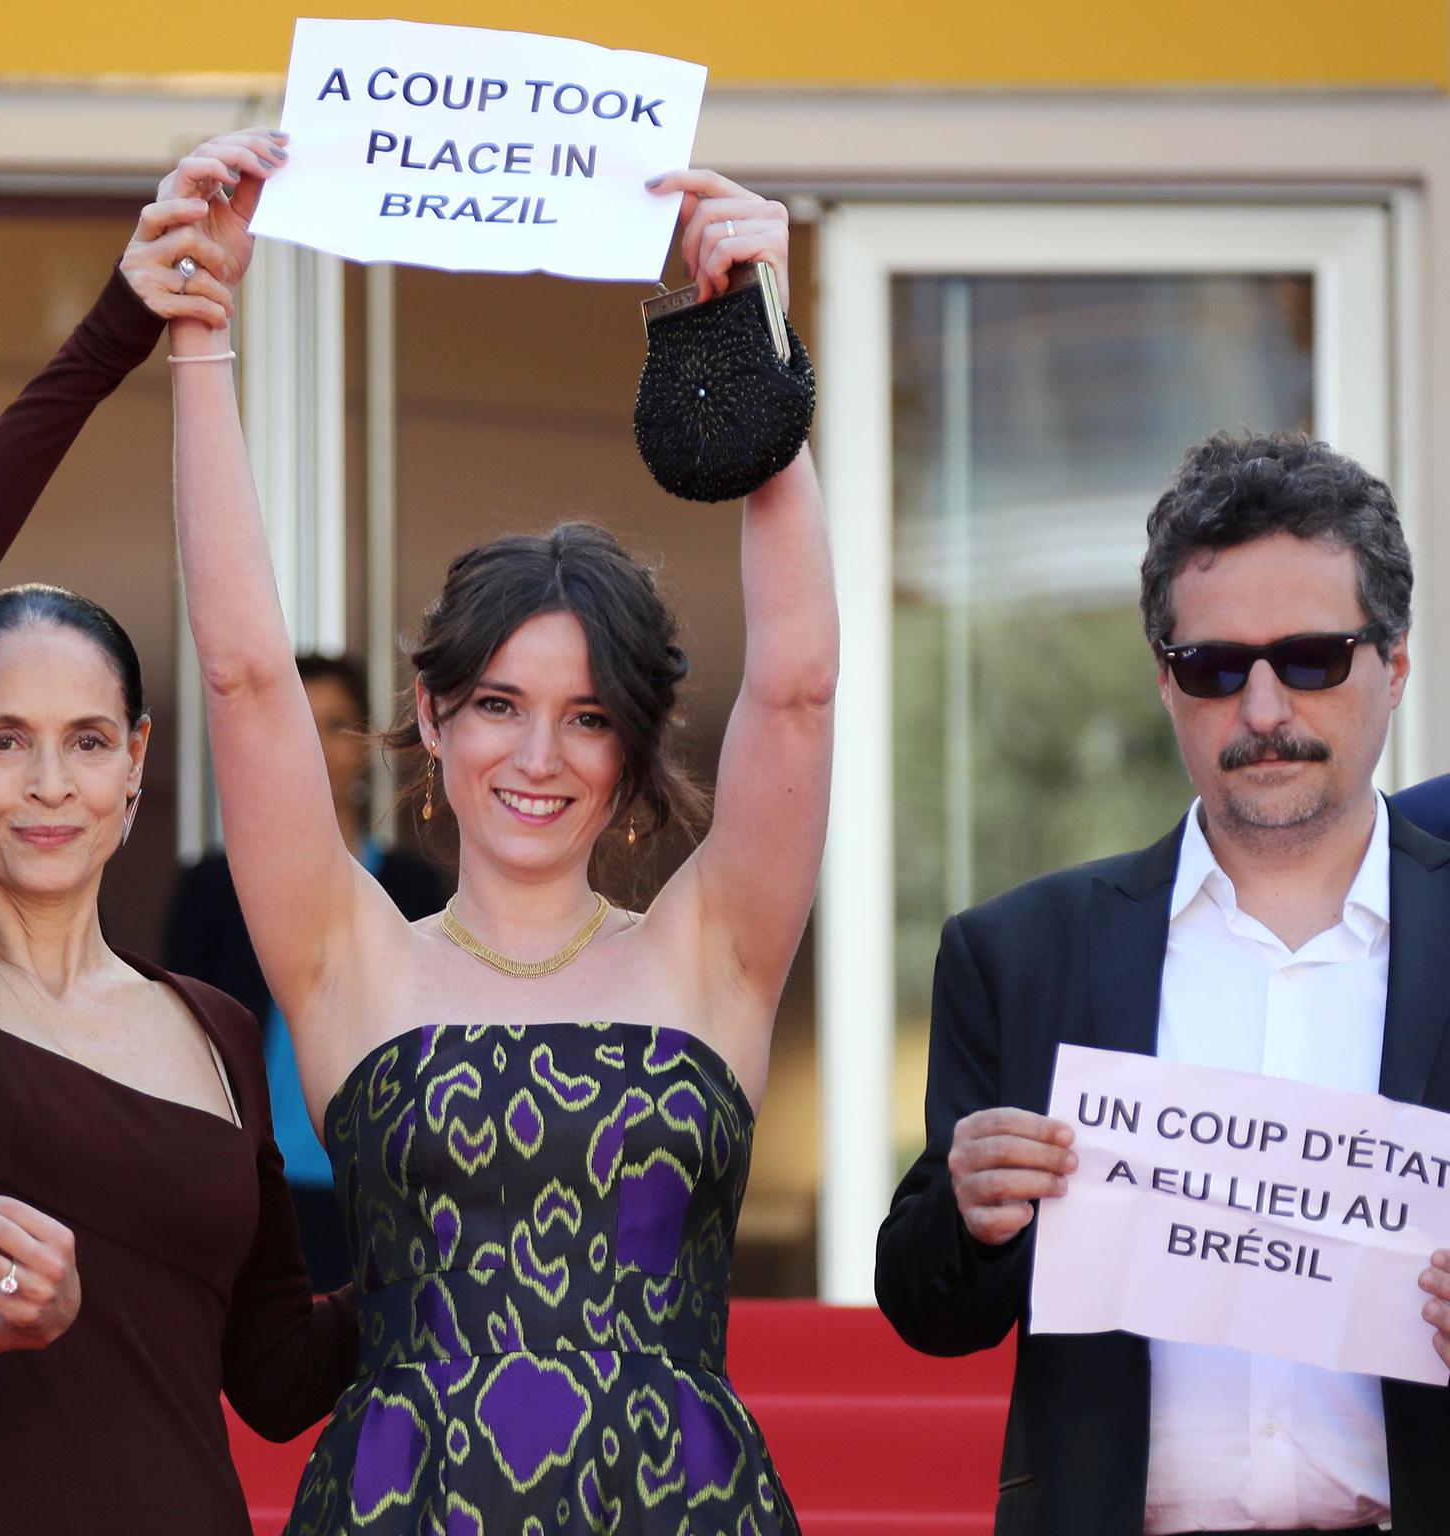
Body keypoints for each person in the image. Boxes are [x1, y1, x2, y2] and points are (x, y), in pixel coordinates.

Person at [174, 145, 834, 1534]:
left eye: (588, 719)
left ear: (634, 748)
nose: (538, 759)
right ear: (432, 713)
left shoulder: (713, 955)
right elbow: (241, 673)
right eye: (497, 707)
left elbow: (796, 684)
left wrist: (750, 341)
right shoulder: (347, 958)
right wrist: (199, 342)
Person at [0, 133, 357, 1534]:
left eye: (87, 741)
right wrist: (123, 326)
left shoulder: (221, 1027)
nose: (47, 783)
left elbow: (278, 1379)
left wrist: (462, 1231)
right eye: (1, 740)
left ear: (136, 771)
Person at [875, 430, 1450, 1535]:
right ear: (1163, 683)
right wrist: (971, 1210)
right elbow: (926, 1308)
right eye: (1215, 668)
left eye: (1313, 659)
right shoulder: (1017, 952)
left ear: (1395, 663)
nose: (1265, 709)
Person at [166, 653, 447, 1291]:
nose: (319, 745)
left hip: (383, 1186)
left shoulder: (412, 885)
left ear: (366, 745)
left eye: (337, 725)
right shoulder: (214, 886)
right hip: (250, 1186)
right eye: (302, 724)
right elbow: (180, 1042)